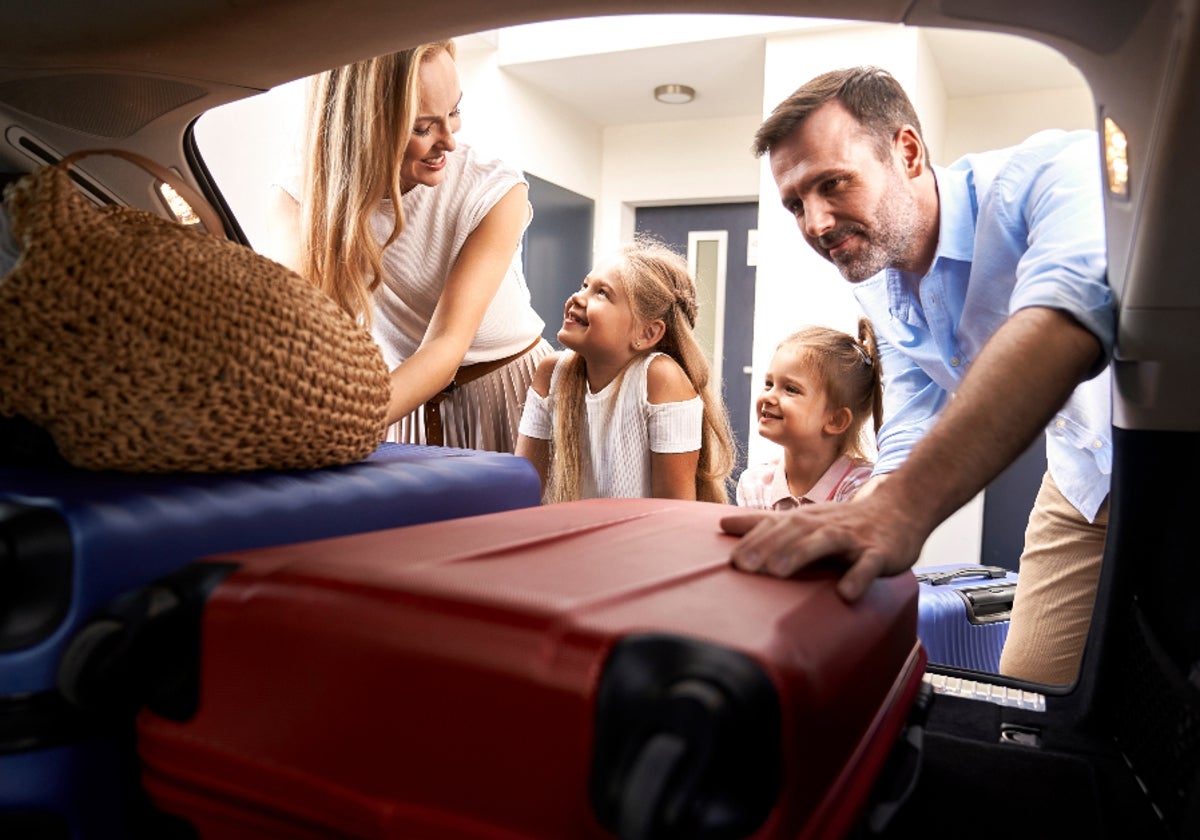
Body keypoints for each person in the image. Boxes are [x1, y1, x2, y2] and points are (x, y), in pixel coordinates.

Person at [723, 66, 1114, 686]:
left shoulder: (1053, 175)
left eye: (834, 184)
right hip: (1080, 485)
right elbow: (910, 419)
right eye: (796, 203)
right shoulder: (878, 279)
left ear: (906, 151)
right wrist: (864, 515)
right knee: (1030, 693)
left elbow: (1063, 322)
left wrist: (904, 510)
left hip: (1173, 464)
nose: (816, 224)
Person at [264, 40, 552, 452]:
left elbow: (446, 345)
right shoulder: (298, 195)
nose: (449, 141)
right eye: (422, 127)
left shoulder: (494, 188)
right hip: (405, 401)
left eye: (454, 112)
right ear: (363, 126)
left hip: (511, 391)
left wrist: (338, 428)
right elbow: (294, 334)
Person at [516, 239, 735, 503]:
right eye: (585, 285)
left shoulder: (659, 378)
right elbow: (523, 492)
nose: (577, 297)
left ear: (648, 332)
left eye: (602, 293)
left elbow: (673, 510)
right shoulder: (551, 371)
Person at [737, 318, 881, 510]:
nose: (769, 397)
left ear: (836, 420)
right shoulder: (753, 484)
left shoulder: (861, 487)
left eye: (790, 389)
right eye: (769, 384)